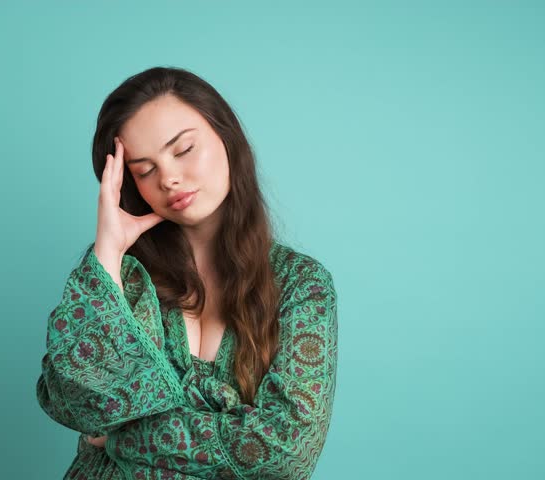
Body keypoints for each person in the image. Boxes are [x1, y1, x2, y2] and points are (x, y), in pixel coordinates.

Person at [36, 66, 339, 479]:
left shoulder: (300, 284)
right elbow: (72, 400)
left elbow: (286, 450)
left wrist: (125, 438)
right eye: (145, 170)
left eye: (183, 150)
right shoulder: (118, 276)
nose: (170, 178)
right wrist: (107, 254)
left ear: (226, 138)